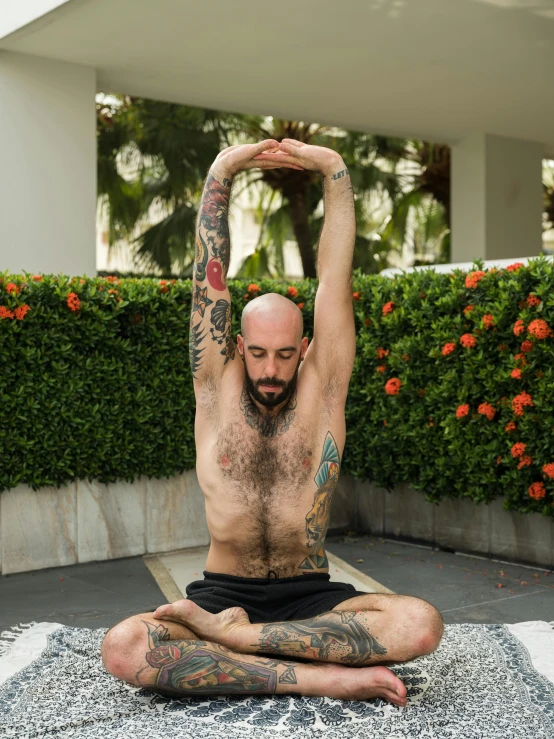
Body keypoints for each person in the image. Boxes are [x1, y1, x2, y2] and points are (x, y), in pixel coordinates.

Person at [101, 139, 444, 706]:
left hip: (311, 596)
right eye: (258, 353)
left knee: (420, 624)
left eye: (286, 354)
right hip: (219, 595)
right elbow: (207, 275)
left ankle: (238, 646)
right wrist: (220, 171)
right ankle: (321, 676)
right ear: (238, 345)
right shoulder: (215, 387)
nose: (271, 368)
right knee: (125, 646)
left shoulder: (323, 386)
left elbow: (334, 276)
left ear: (305, 348)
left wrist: (332, 169)